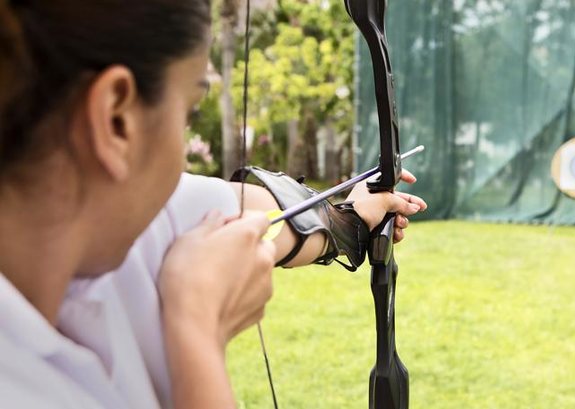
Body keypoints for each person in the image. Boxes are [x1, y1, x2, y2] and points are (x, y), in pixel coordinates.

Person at [0, 1, 427, 408]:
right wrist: (197, 328)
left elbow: (277, 216)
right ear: (116, 120)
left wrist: (350, 219)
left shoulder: (112, 214)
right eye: (188, 112)